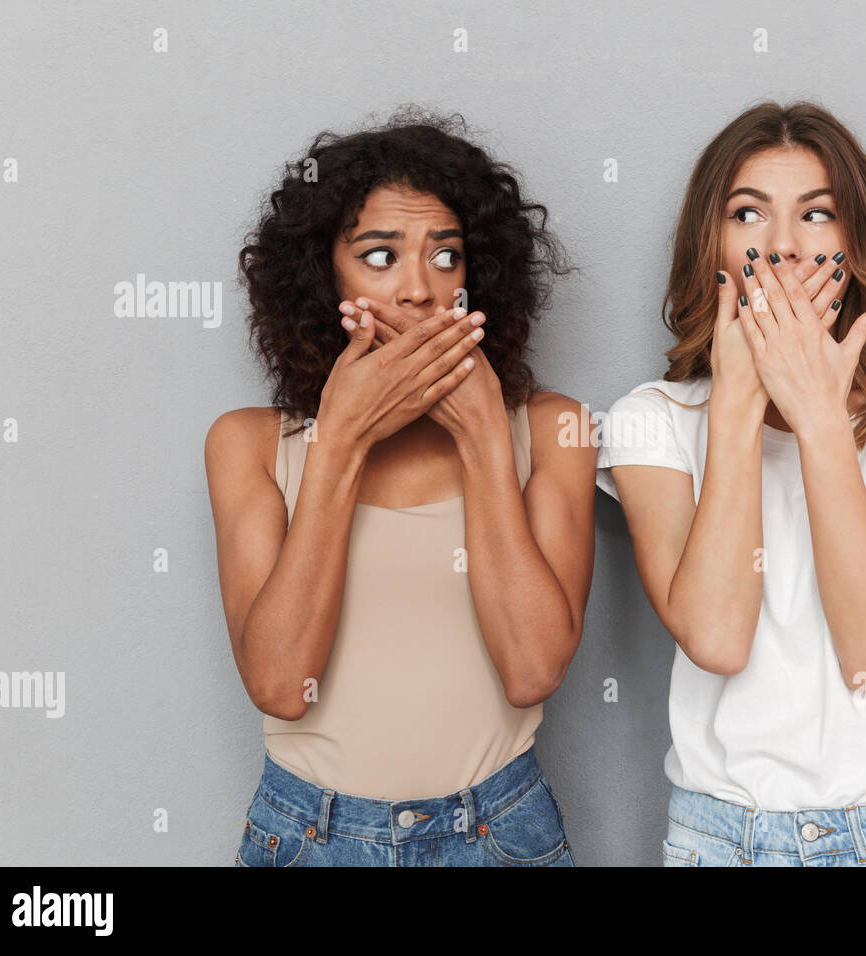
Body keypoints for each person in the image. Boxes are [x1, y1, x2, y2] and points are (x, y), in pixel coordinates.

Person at [596, 100, 866, 866]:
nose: (783, 246)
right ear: (712, 242)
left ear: (856, 243)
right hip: (725, 838)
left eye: (817, 215)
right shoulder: (649, 421)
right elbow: (718, 640)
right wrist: (733, 410)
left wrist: (822, 422)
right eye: (748, 213)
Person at [205, 108, 595, 866]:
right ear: (323, 280)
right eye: (380, 256)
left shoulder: (552, 430)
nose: (421, 290)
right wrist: (341, 440)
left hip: (499, 832)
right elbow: (283, 685)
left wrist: (484, 437)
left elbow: (532, 671)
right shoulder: (248, 444)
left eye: (446, 256)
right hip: (311, 836)